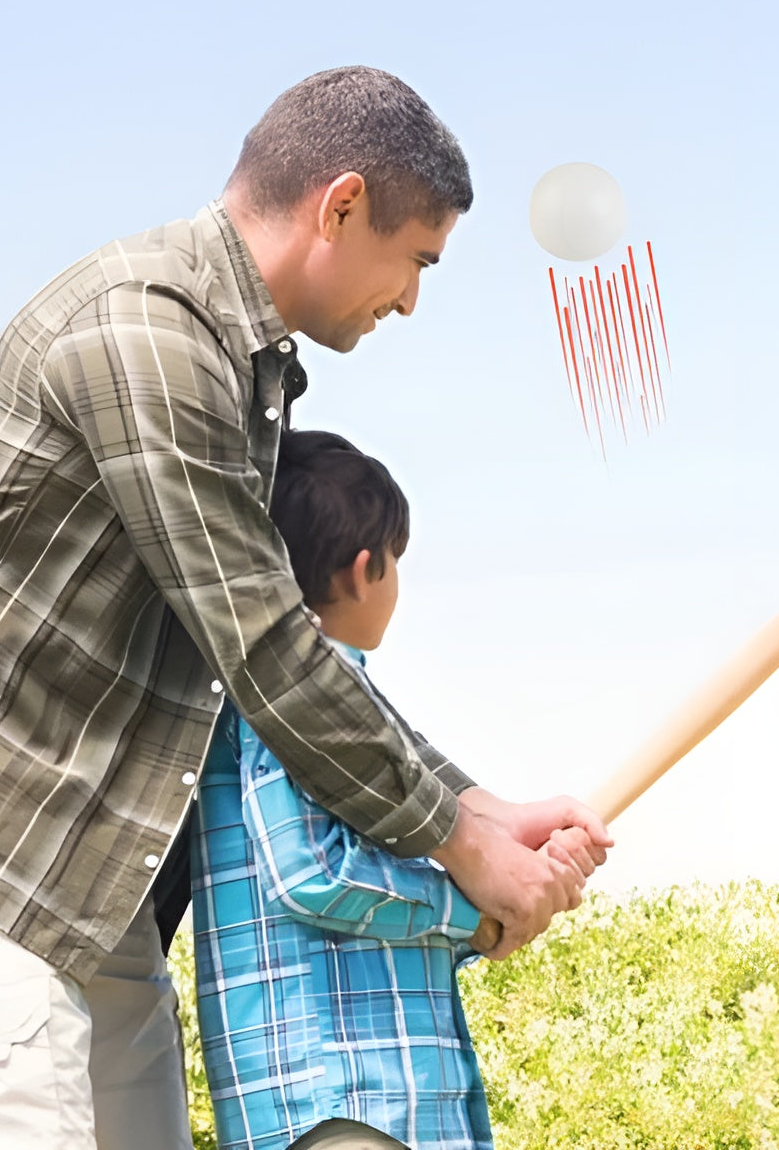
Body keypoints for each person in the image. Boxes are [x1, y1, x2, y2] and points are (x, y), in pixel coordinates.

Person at [0, 65, 612, 1149]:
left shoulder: (241, 366)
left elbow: (272, 640)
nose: (413, 298)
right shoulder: (147, 331)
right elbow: (269, 648)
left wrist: (482, 807)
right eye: (416, 259)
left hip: (82, 855)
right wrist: (463, 844)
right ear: (342, 205)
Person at [193, 430, 501, 1149]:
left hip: (356, 1098)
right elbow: (311, 874)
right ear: (367, 569)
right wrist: (467, 912)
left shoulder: (294, 695)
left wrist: (477, 917)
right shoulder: (296, 693)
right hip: (345, 1100)